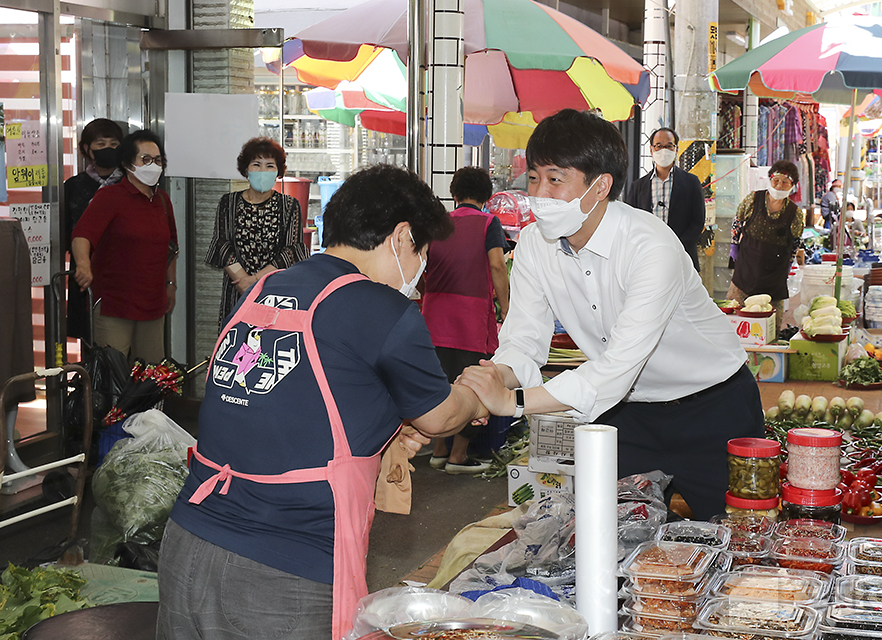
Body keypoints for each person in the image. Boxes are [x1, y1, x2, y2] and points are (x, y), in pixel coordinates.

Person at [156, 164, 490, 640]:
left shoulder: (267, 288)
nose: (421, 267)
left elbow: (294, 398)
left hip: (188, 541)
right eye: (422, 251)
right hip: (283, 572)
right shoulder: (381, 308)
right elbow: (440, 417)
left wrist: (388, 426)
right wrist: (479, 394)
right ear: (400, 237)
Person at [457, 109, 764, 520]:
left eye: (555, 178)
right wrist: (495, 378)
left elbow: (618, 365)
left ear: (600, 186)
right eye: (534, 178)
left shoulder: (650, 246)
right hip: (626, 414)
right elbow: (524, 340)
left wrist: (511, 402)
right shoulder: (533, 244)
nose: (540, 193)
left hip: (712, 408)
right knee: (616, 540)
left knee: (738, 534)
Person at [421, 166, 510, 474]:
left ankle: (438, 450)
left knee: (440, 383)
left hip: (434, 317)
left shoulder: (437, 224)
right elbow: (498, 266)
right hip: (471, 320)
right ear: (486, 197)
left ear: (455, 194)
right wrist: (506, 305)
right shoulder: (489, 223)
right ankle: (458, 455)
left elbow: (420, 267)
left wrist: (428, 292)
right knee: (472, 384)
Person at [71, 129, 177, 363]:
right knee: (113, 376)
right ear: (127, 163)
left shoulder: (162, 200)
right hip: (114, 305)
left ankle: (147, 403)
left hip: (152, 305)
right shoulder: (109, 197)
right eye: (145, 159)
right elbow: (82, 235)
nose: (153, 165)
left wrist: (171, 284)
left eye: (158, 160)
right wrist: (83, 265)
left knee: (150, 378)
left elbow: (171, 248)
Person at [205, 137, 308, 326]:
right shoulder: (228, 203)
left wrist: (255, 281)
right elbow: (221, 245)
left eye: (270, 165)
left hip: (275, 291)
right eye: (256, 164)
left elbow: (292, 250)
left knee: (269, 346)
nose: (263, 171)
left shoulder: (289, 205)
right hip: (237, 290)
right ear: (246, 170)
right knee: (236, 346)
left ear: (278, 171)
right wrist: (243, 281)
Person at [63, 118, 124, 342]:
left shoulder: (130, 184)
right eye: (100, 144)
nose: (108, 149)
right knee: (90, 341)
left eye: (114, 144)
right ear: (87, 149)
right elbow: (64, 234)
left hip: (122, 275)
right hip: (85, 275)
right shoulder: (73, 186)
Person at [728, 160, 803, 329]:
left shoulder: (795, 213)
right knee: (735, 319)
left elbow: (795, 243)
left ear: (793, 186)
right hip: (746, 269)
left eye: (785, 182)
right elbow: (737, 221)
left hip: (774, 275)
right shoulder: (753, 199)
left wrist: (789, 264)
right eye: (776, 180)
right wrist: (734, 245)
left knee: (769, 328)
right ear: (770, 179)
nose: (779, 185)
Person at [623, 127, 705, 271]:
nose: (663, 150)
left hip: (683, 259)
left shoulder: (691, 182)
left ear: (676, 149)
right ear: (651, 150)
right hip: (647, 259)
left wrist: (677, 247)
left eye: (669, 146)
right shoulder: (638, 186)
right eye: (659, 146)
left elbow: (697, 221)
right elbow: (630, 222)